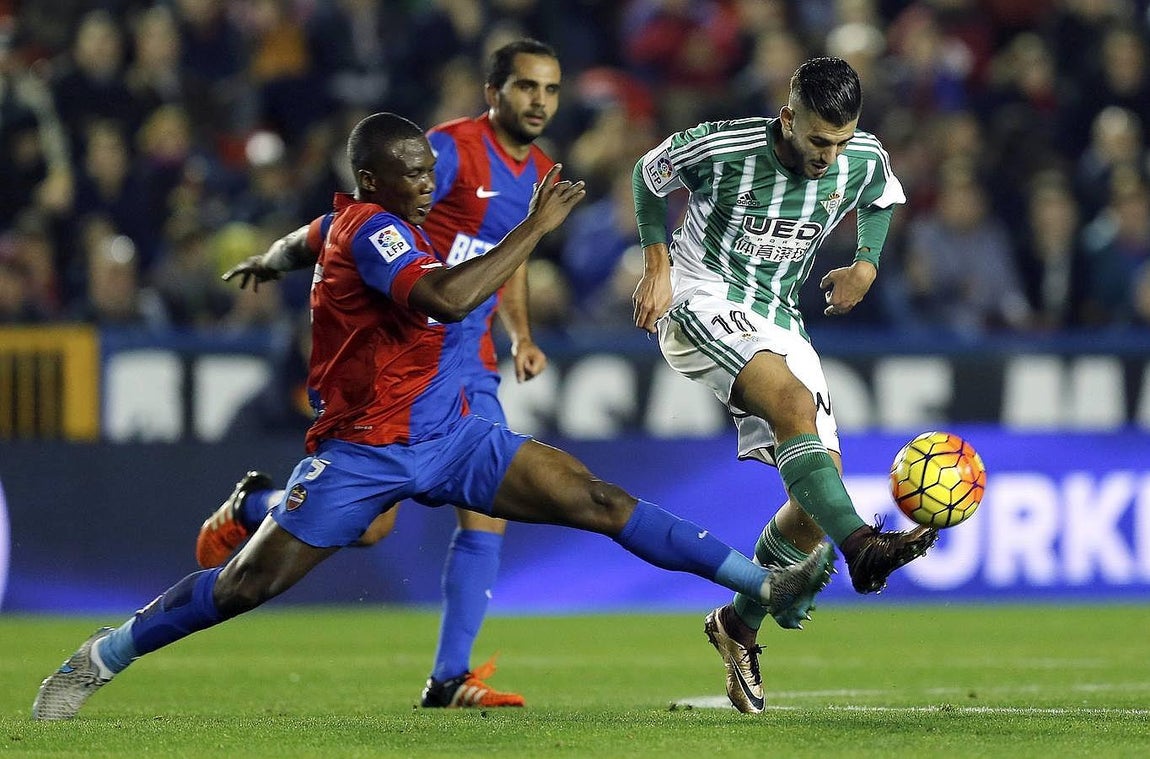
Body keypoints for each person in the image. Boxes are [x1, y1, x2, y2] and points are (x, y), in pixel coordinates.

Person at [32, 111, 835, 722]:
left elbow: (309, 237)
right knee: (246, 585)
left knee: (597, 498)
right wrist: (535, 227)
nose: (427, 182)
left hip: (451, 436)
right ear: (371, 179)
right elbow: (445, 298)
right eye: (412, 173)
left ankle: (761, 580)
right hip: (364, 451)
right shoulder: (373, 231)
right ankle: (104, 652)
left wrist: (272, 258)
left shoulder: (369, 222)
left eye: (429, 168)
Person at [196, 39, 567, 709]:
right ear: (495, 92)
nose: (539, 101)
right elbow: (356, 223)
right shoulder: (449, 150)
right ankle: (259, 505)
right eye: (526, 87)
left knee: (487, 516)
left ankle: (449, 677)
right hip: (409, 356)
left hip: (471, 365)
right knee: (371, 528)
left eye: (550, 89)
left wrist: (522, 335)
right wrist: (278, 257)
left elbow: (505, 257)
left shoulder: (538, 172)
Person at [630, 56, 939, 715]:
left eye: (841, 141)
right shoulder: (726, 147)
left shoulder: (860, 157)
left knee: (815, 500)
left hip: (780, 317)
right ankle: (864, 547)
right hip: (701, 296)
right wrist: (656, 264)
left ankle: (737, 624)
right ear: (788, 117)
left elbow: (881, 195)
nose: (830, 156)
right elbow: (648, 173)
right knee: (794, 407)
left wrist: (865, 264)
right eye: (819, 140)